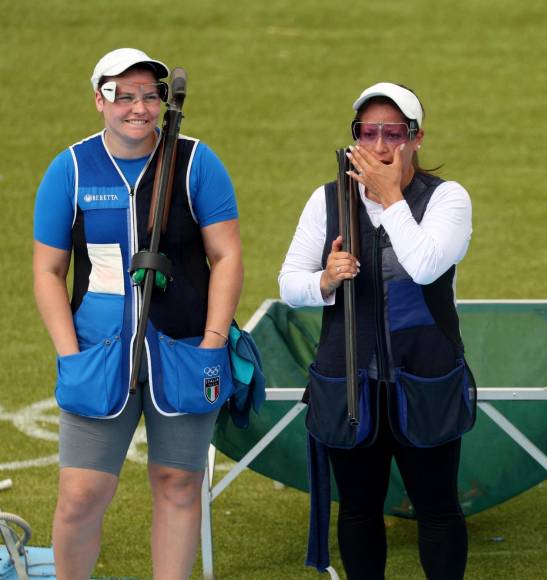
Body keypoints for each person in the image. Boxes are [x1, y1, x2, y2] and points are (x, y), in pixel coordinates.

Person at [32, 48, 242, 579]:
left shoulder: (196, 162)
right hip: (96, 354)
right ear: (99, 100)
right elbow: (48, 270)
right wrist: (70, 354)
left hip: (186, 349)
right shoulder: (70, 168)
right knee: (81, 493)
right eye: (123, 96)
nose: (139, 108)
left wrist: (213, 342)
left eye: (150, 95)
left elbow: (226, 256)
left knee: (179, 483)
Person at [279, 82, 474, 579]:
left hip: (425, 378)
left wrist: (390, 198)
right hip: (349, 381)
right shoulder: (327, 199)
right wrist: (325, 280)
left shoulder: (448, 198)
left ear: (417, 137)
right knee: (358, 510)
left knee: (438, 508)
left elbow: (425, 266)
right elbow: (289, 285)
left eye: (394, 133)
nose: (381, 145)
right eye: (368, 133)